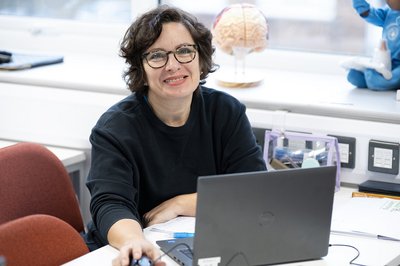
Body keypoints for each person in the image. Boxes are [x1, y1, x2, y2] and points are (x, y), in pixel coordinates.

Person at [84, 5, 267, 266]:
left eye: (184, 51)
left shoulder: (226, 112)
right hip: (130, 254)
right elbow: (110, 205)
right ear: (141, 69)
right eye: (157, 56)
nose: (173, 65)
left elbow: (254, 191)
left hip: (199, 245)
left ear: (200, 59)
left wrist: (181, 204)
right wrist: (133, 241)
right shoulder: (114, 129)